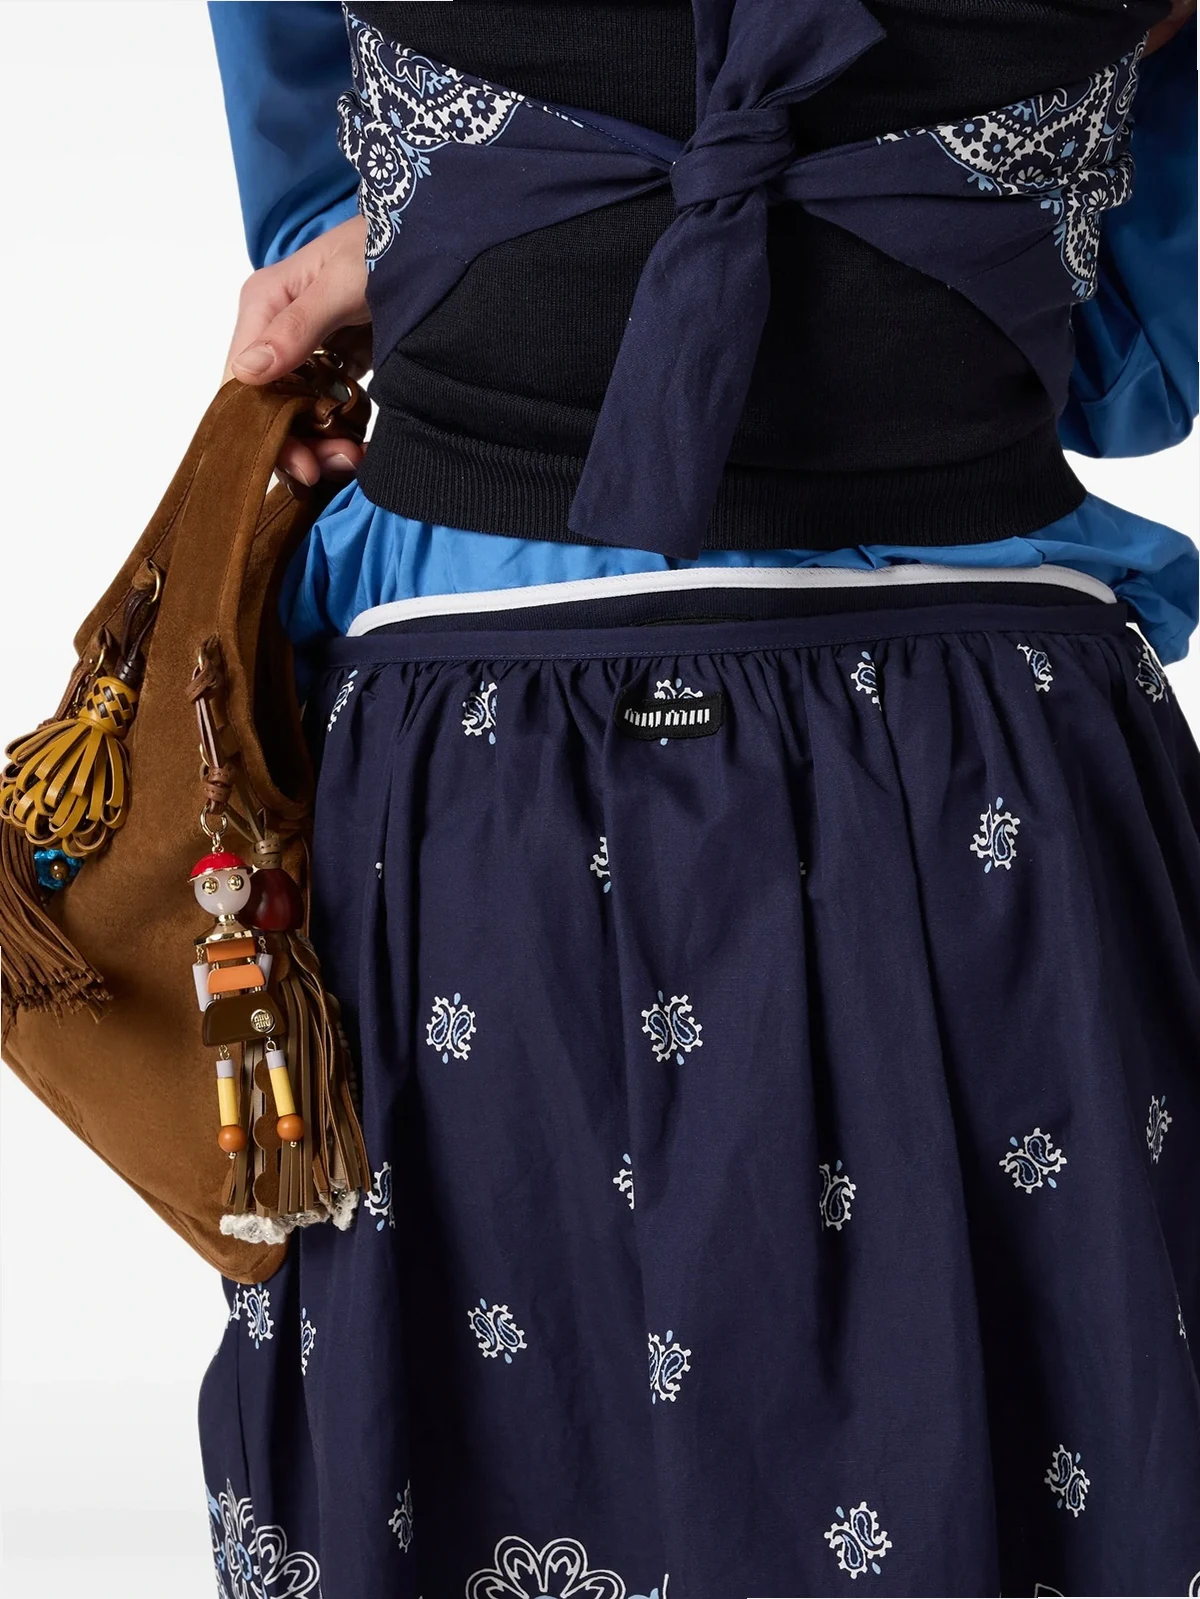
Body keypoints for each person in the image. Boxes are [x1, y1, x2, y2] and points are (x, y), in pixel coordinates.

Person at [200, 3, 1199, 1595]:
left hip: (474, 796)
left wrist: (465, 242)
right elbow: (1135, 352)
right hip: (983, 773)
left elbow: (324, 246)